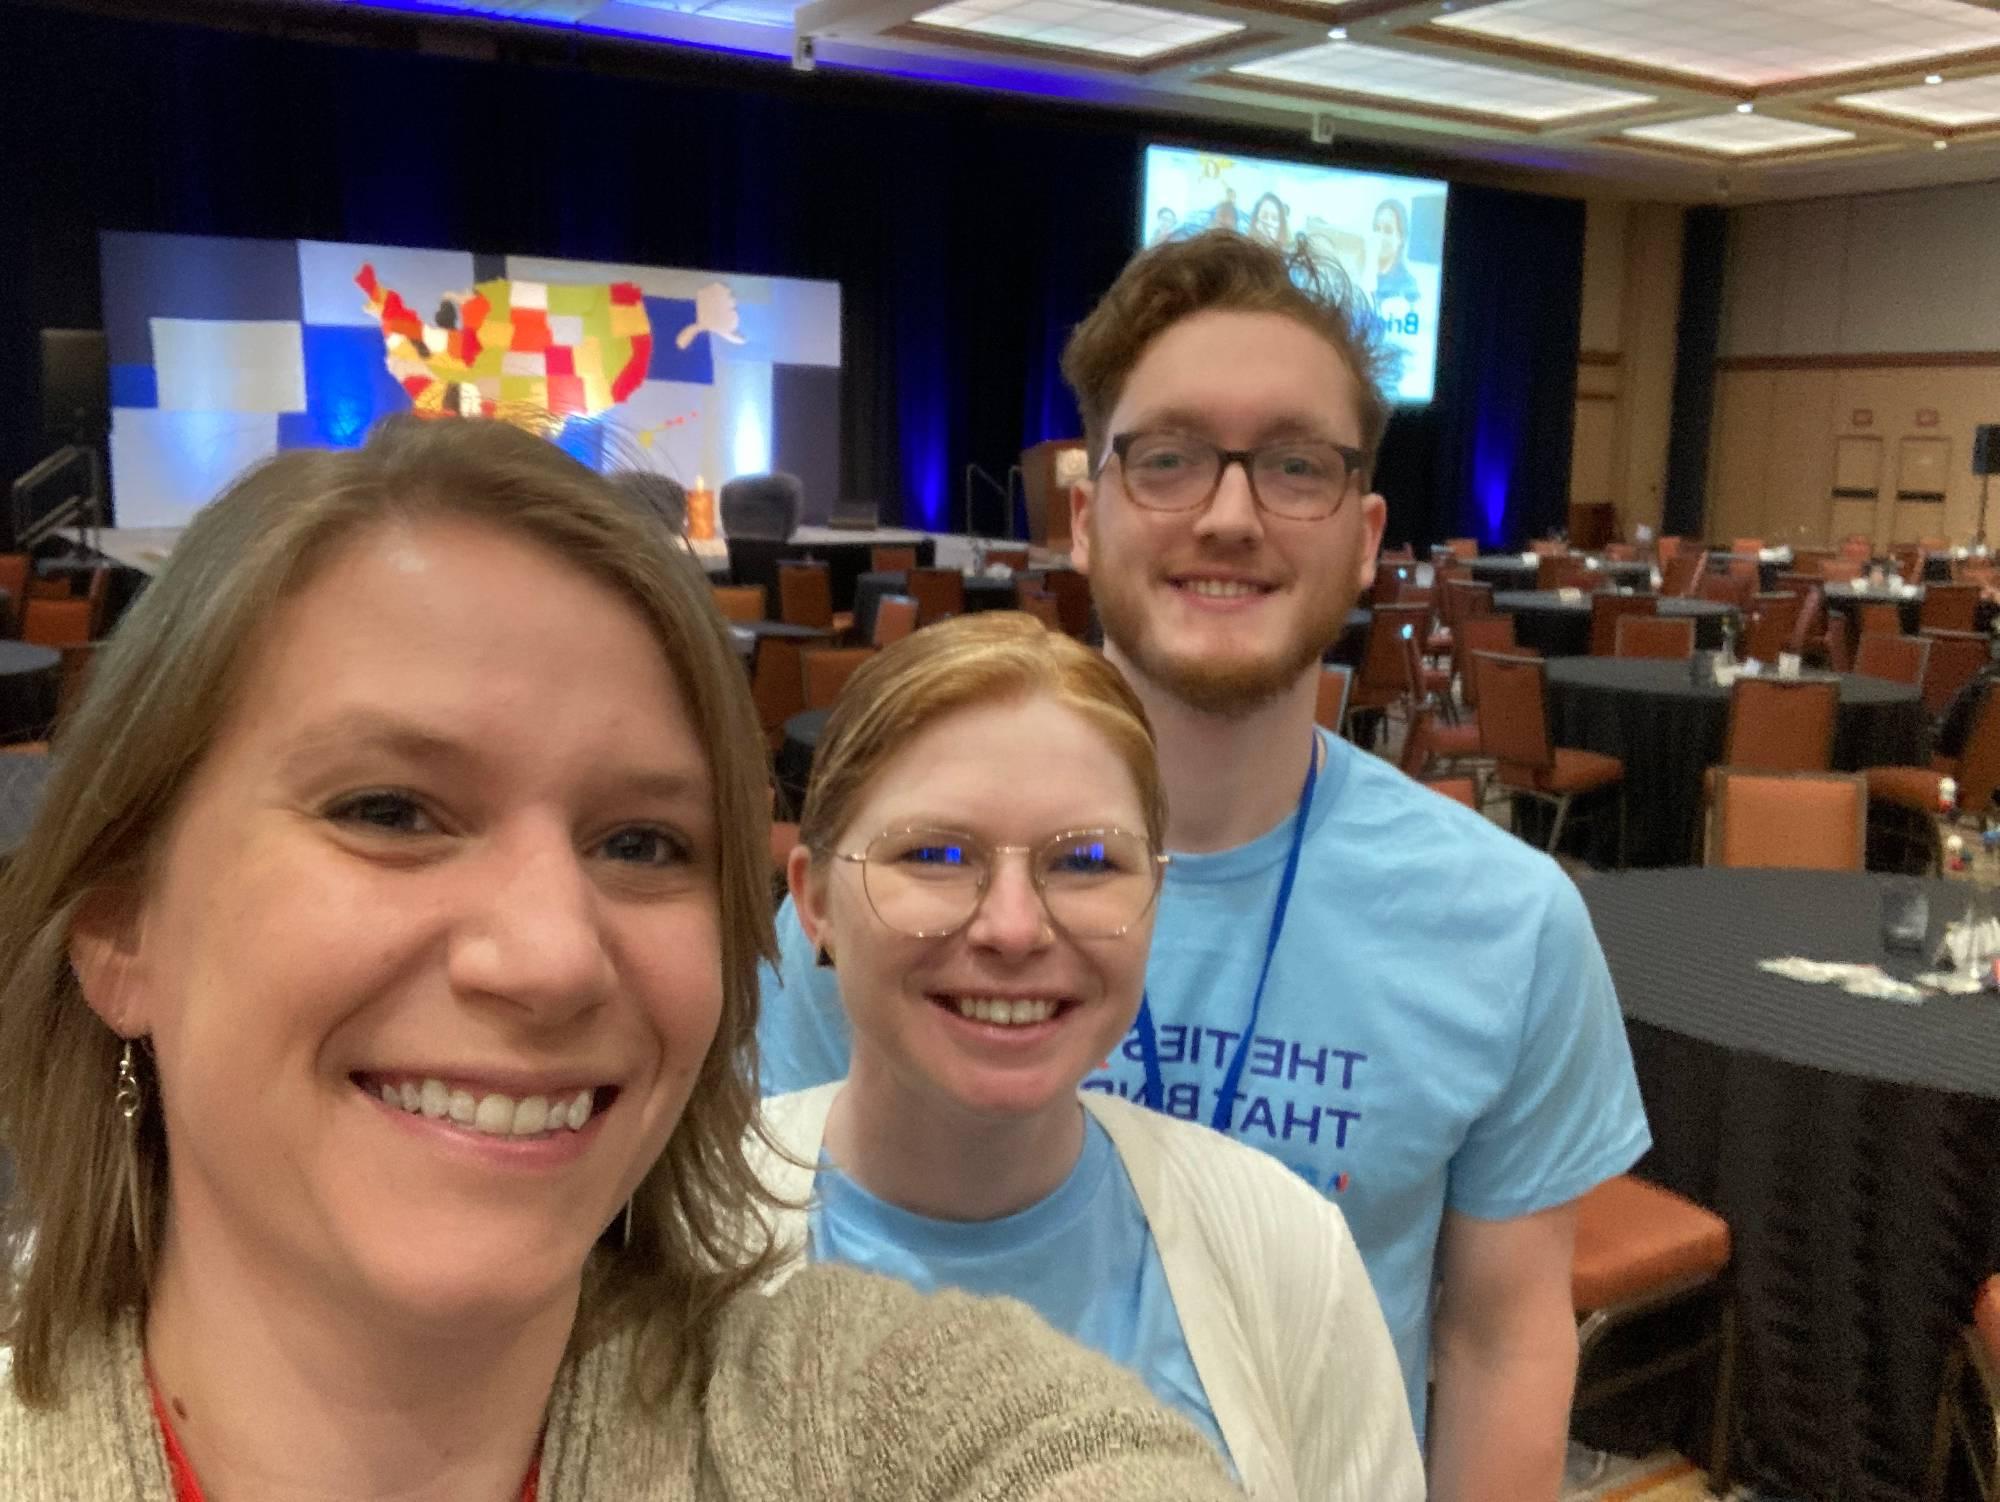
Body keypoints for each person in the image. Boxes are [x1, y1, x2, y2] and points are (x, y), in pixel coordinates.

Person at [0, 417, 1242, 1502]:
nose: (548, 956)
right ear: (121, 925)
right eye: (390, 810)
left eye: (643, 840)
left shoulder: (867, 1424)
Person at [756, 231, 1650, 1501]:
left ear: (1361, 535)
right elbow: (772, 1245)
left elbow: (1498, 1338)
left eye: (1294, 464)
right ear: (1085, 513)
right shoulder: (888, 899)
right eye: (1167, 457)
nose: (1228, 516)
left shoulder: (1506, 920)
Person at [752, 612, 1423, 1501]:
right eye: (937, 854)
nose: (1015, 929)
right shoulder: (670, 1247)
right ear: (815, 902)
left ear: (1156, 895)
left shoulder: (1291, 1255)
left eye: (1087, 864)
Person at [1369, 198, 1420, 308]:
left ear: (1401, 238)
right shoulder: (1361, 274)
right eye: (1376, 229)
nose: (1380, 237)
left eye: (1388, 230)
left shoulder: (1408, 285)